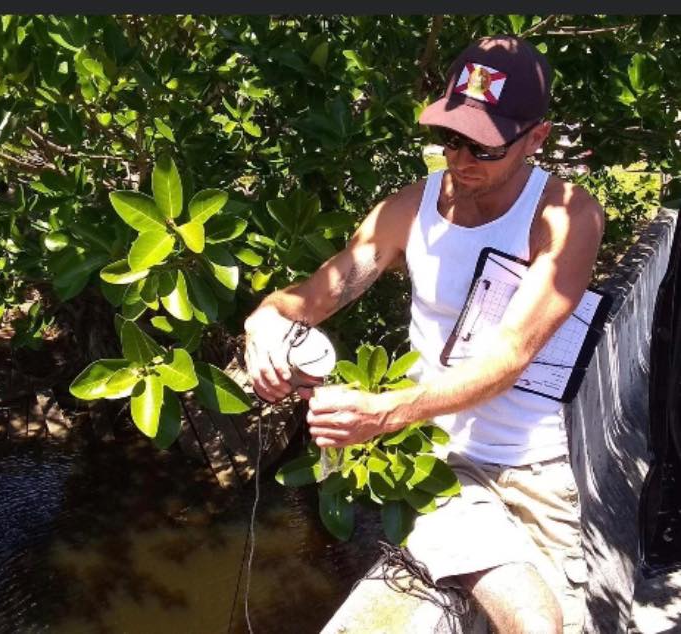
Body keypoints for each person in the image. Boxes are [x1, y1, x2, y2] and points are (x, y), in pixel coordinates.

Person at [244, 35, 603, 634]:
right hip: (436, 457)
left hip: (537, 462)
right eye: (449, 138)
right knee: (536, 622)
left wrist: (381, 413)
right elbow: (318, 293)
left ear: (536, 137)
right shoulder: (409, 209)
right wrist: (266, 320)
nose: (460, 160)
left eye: (483, 146)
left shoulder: (566, 217)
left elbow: (510, 356)